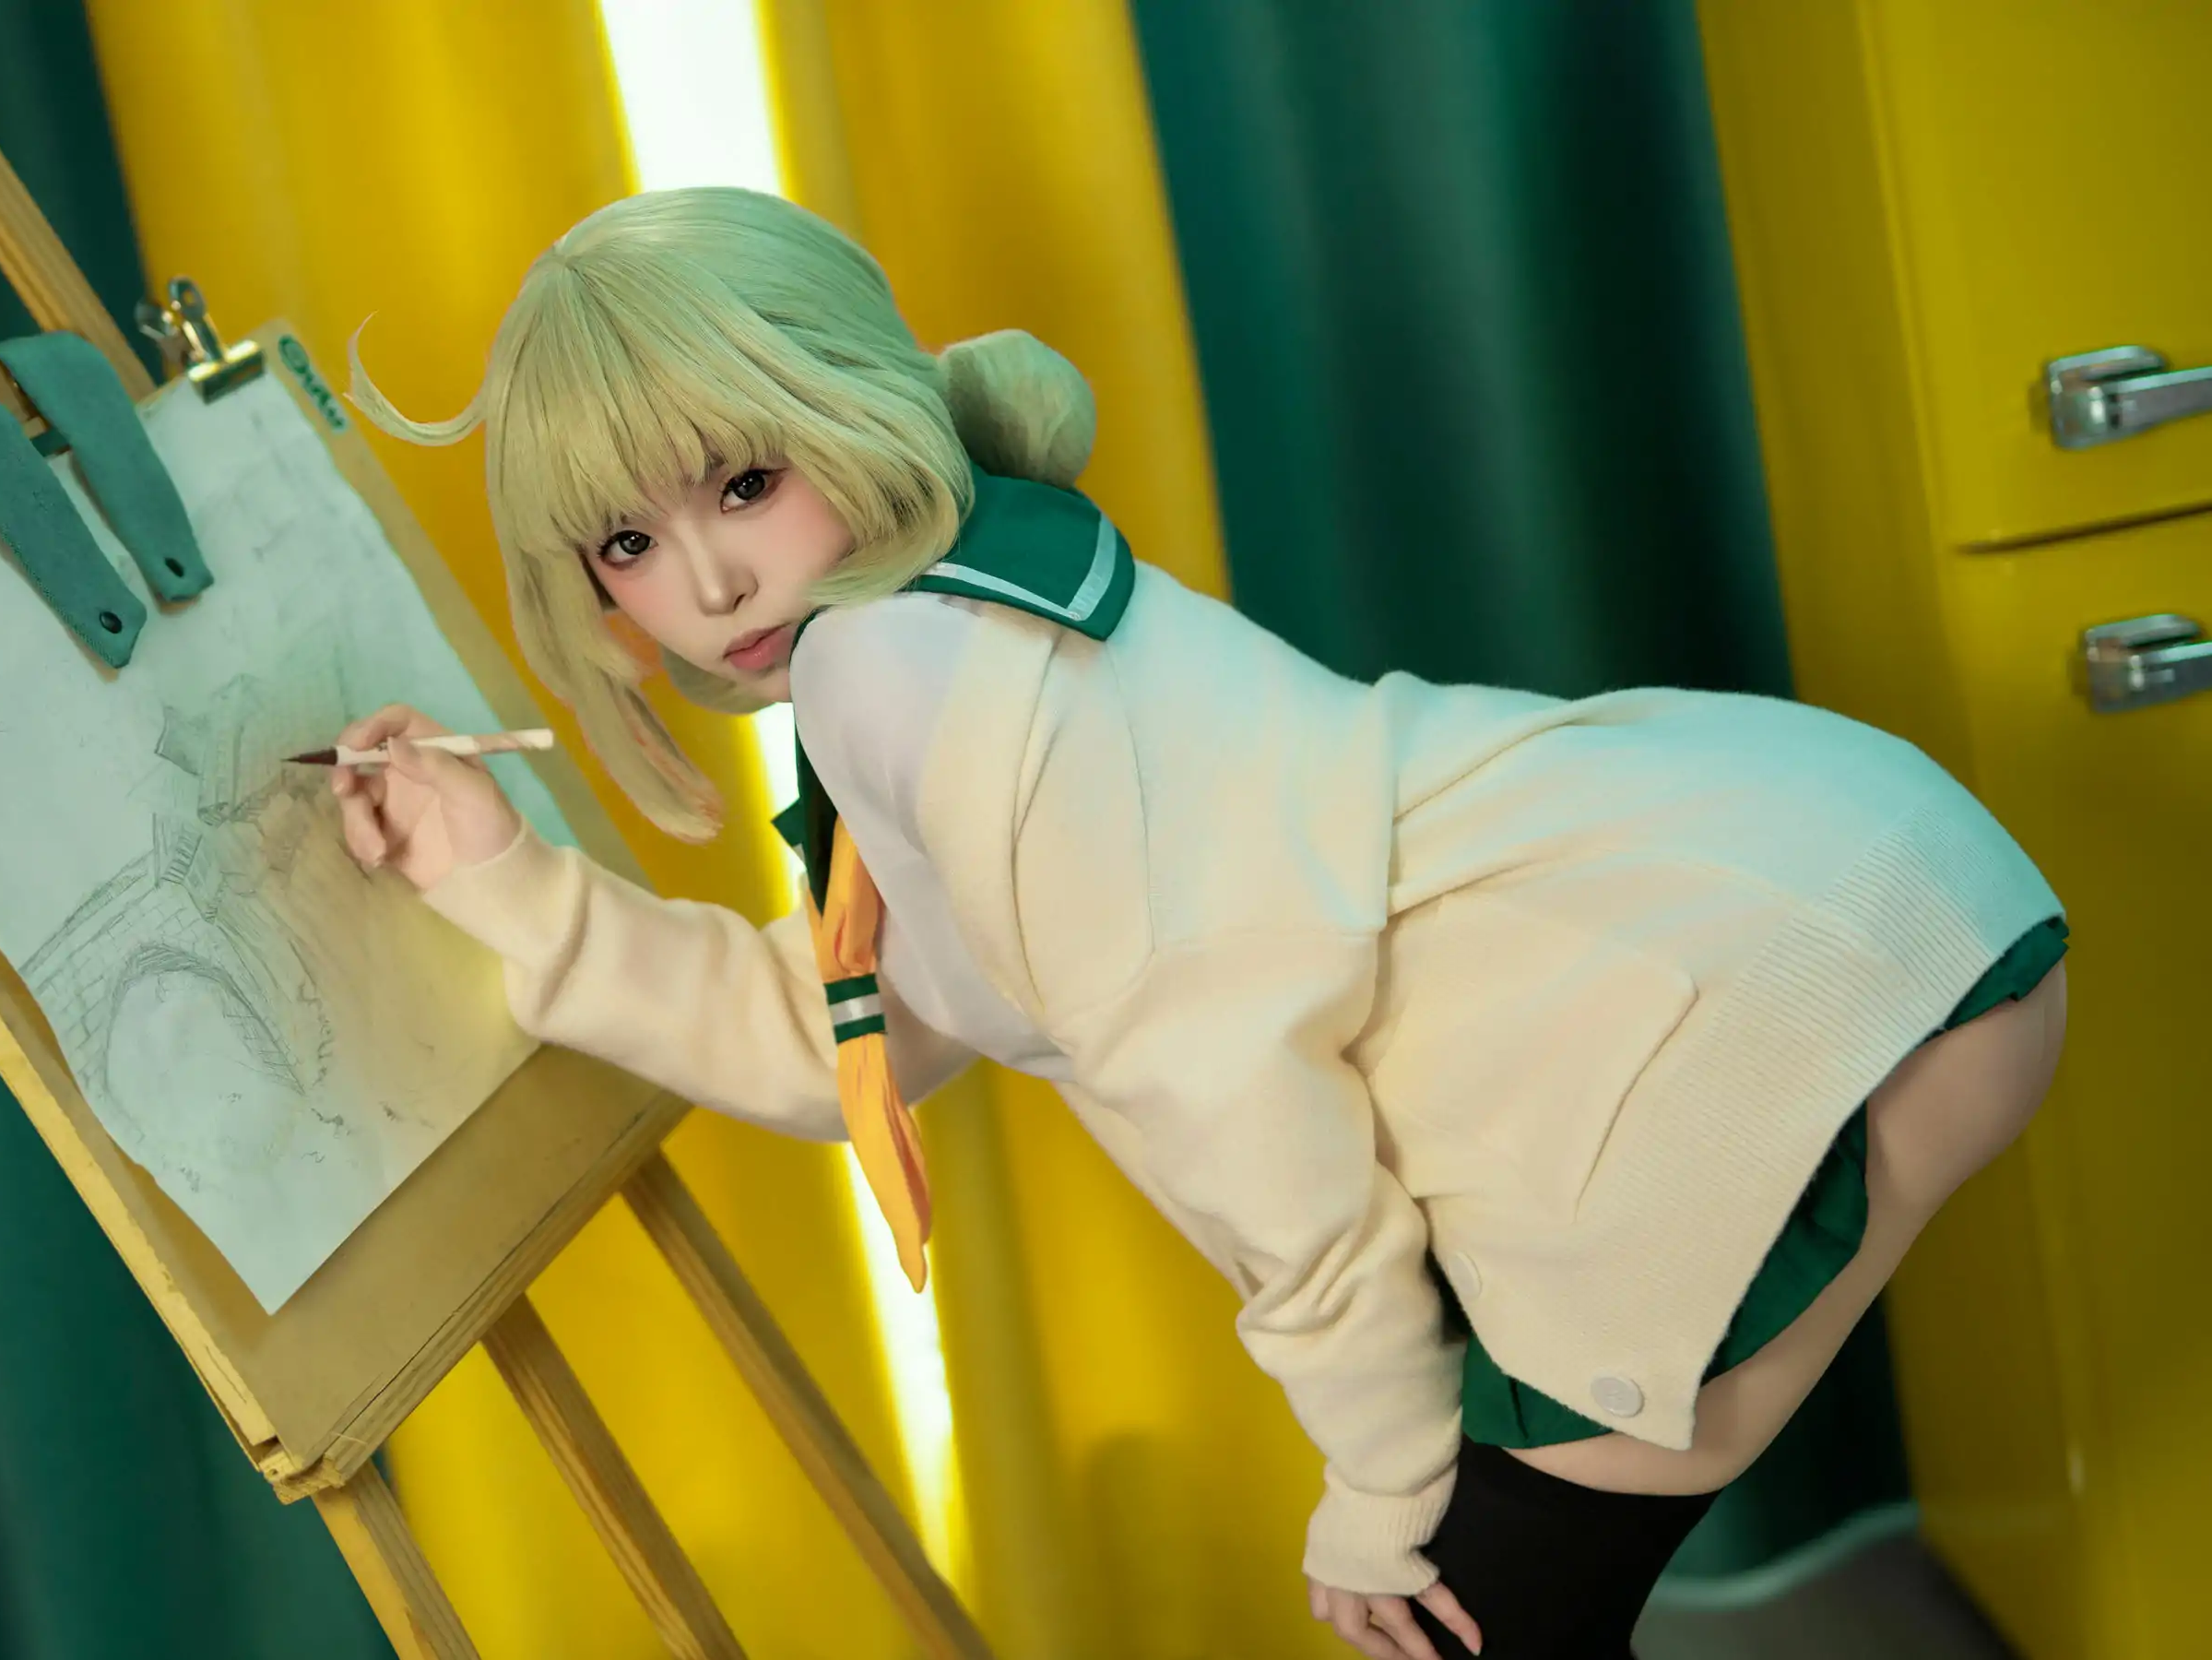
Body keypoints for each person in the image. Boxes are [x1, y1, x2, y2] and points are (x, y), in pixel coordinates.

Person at [327, 185, 2068, 1660]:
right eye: (629, 542)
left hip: (1751, 996)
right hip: (1844, 911)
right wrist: (499, 877)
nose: (711, 585)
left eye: (742, 485)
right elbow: (852, 1023)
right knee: (1507, 1611)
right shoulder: (947, 616)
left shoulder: (895, 669)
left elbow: (1224, 1081)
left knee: (1470, 1613)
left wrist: (1381, 1472)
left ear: (846, 402)